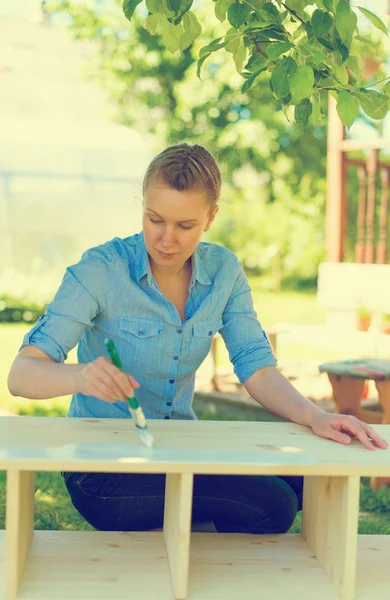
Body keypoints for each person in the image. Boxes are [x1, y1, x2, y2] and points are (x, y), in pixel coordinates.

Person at [8, 143, 387, 535]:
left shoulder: (224, 271)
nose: (166, 239)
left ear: (210, 218)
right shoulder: (100, 270)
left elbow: (256, 367)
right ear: (143, 207)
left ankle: (192, 537)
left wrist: (317, 417)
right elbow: (20, 376)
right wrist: (81, 376)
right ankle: (196, 544)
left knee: (305, 481)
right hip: (103, 472)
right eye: (154, 219)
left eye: (184, 226)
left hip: (179, 449)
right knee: (273, 505)